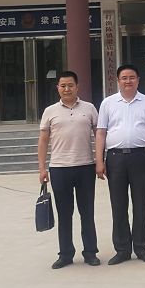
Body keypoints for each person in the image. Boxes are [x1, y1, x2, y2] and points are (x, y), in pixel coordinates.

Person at [95, 64, 145, 265]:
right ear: (118, 81)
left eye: (132, 77)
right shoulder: (108, 103)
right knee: (118, 205)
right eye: (124, 78)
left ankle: (142, 247)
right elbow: (101, 133)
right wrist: (99, 161)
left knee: (141, 204)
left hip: (140, 157)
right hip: (115, 158)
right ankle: (122, 249)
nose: (128, 81)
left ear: (138, 80)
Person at [37, 70, 100, 269]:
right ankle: (65, 254)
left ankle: (90, 252)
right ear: (57, 88)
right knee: (64, 214)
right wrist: (42, 168)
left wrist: (100, 161)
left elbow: (99, 135)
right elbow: (43, 141)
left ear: (77, 86)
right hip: (59, 168)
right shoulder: (50, 111)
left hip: (85, 167)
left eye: (70, 85)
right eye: (63, 86)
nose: (67, 89)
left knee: (87, 213)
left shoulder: (89, 108)